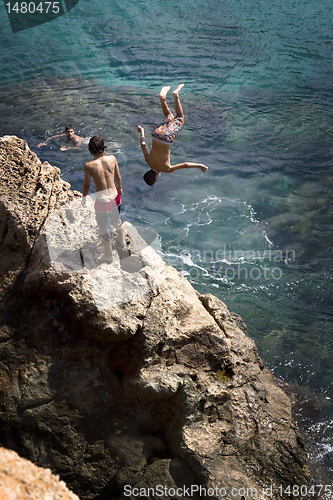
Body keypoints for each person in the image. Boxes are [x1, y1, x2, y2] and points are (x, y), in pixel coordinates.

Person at [137, 84, 208, 186]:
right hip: (156, 135)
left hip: (166, 139)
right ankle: (162, 99)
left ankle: (176, 95)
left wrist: (200, 166)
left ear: (156, 178)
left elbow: (185, 165)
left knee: (179, 118)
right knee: (169, 117)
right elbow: (143, 145)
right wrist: (142, 131)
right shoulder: (148, 161)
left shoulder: (167, 169)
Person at [81, 135, 126, 262]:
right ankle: (122, 242)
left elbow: (87, 185)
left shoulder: (89, 165)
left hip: (102, 202)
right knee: (117, 220)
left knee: (104, 228)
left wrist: (84, 199)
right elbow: (118, 176)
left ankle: (109, 255)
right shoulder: (112, 158)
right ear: (104, 147)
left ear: (90, 149)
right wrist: (120, 188)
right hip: (115, 197)